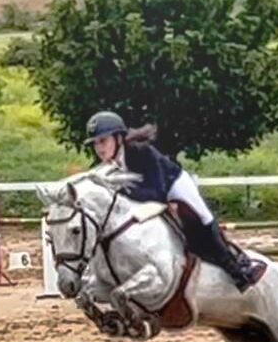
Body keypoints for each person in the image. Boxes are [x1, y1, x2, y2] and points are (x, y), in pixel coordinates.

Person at [84, 111, 264, 292]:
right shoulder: (106, 168)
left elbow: (158, 192)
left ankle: (238, 271)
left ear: (118, 138)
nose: (99, 148)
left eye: (103, 141)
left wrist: (122, 189)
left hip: (172, 185)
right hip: (147, 198)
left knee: (204, 217)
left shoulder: (141, 152)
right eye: (96, 144)